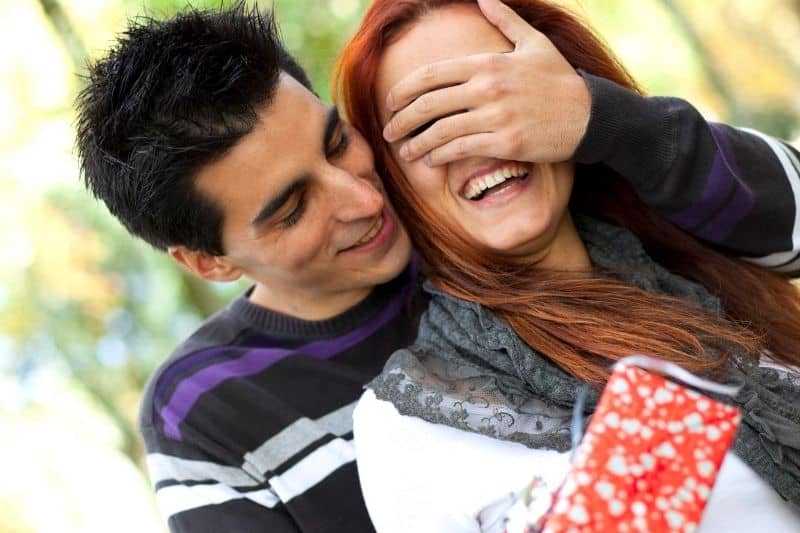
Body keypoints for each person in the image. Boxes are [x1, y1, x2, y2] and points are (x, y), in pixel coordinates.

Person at [73, 2, 797, 532]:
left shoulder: (531, 221)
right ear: (209, 260)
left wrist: (596, 117)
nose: (362, 199)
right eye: (292, 208)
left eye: (337, 144)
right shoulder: (213, 411)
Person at [335, 0, 800, 531]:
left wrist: (609, 120)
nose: (479, 142)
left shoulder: (690, 238)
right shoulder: (404, 427)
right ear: (395, 182)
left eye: (499, 96)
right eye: (430, 127)